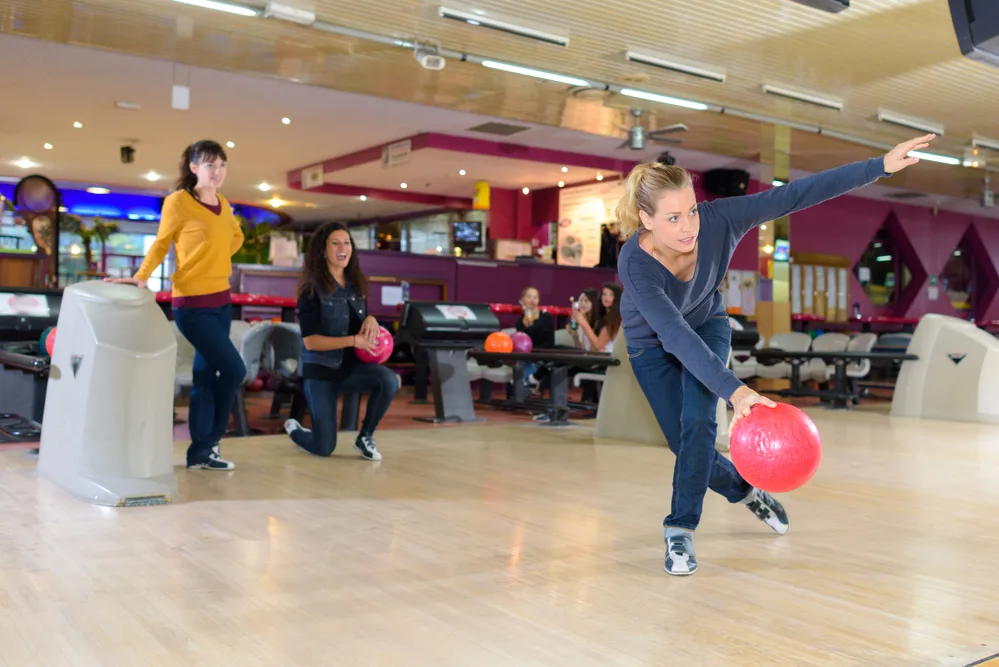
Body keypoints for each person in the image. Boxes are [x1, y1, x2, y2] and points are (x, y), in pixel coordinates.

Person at [617, 133, 935, 576]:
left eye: (691, 210)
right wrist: (736, 390)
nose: (689, 226)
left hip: (707, 325)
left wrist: (879, 165)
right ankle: (748, 492)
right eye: (673, 218)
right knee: (686, 445)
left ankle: (679, 531)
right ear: (645, 220)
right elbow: (671, 334)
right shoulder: (634, 263)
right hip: (652, 346)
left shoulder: (721, 218)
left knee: (698, 426)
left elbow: (796, 195)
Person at [107, 140, 245, 471]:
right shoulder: (178, 202)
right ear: (194, 168)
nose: (217, 171)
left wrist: (214, 259)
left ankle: (199, 454)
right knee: (234, 370)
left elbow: (235, 238)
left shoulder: (224, 204)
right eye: (209, 165)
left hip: (221, 301)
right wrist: (141, 276)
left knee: (205, 375)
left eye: (221, 164)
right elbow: (161, 243)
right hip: (192, 305)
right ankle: (212, 439)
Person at [283, 222, 397, 461]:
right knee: (324, 447)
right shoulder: (310, 291)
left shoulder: (356, 288)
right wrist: (354, 340)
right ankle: (296, 432)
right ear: (323, 251)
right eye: (335, 243)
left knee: (388, 379)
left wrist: (372, 318)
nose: (342, 247)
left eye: (346, 242)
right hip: (320, 374)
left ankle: (365, 436)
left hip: (349, 370)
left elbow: (360, 326)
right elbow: (311, 342)